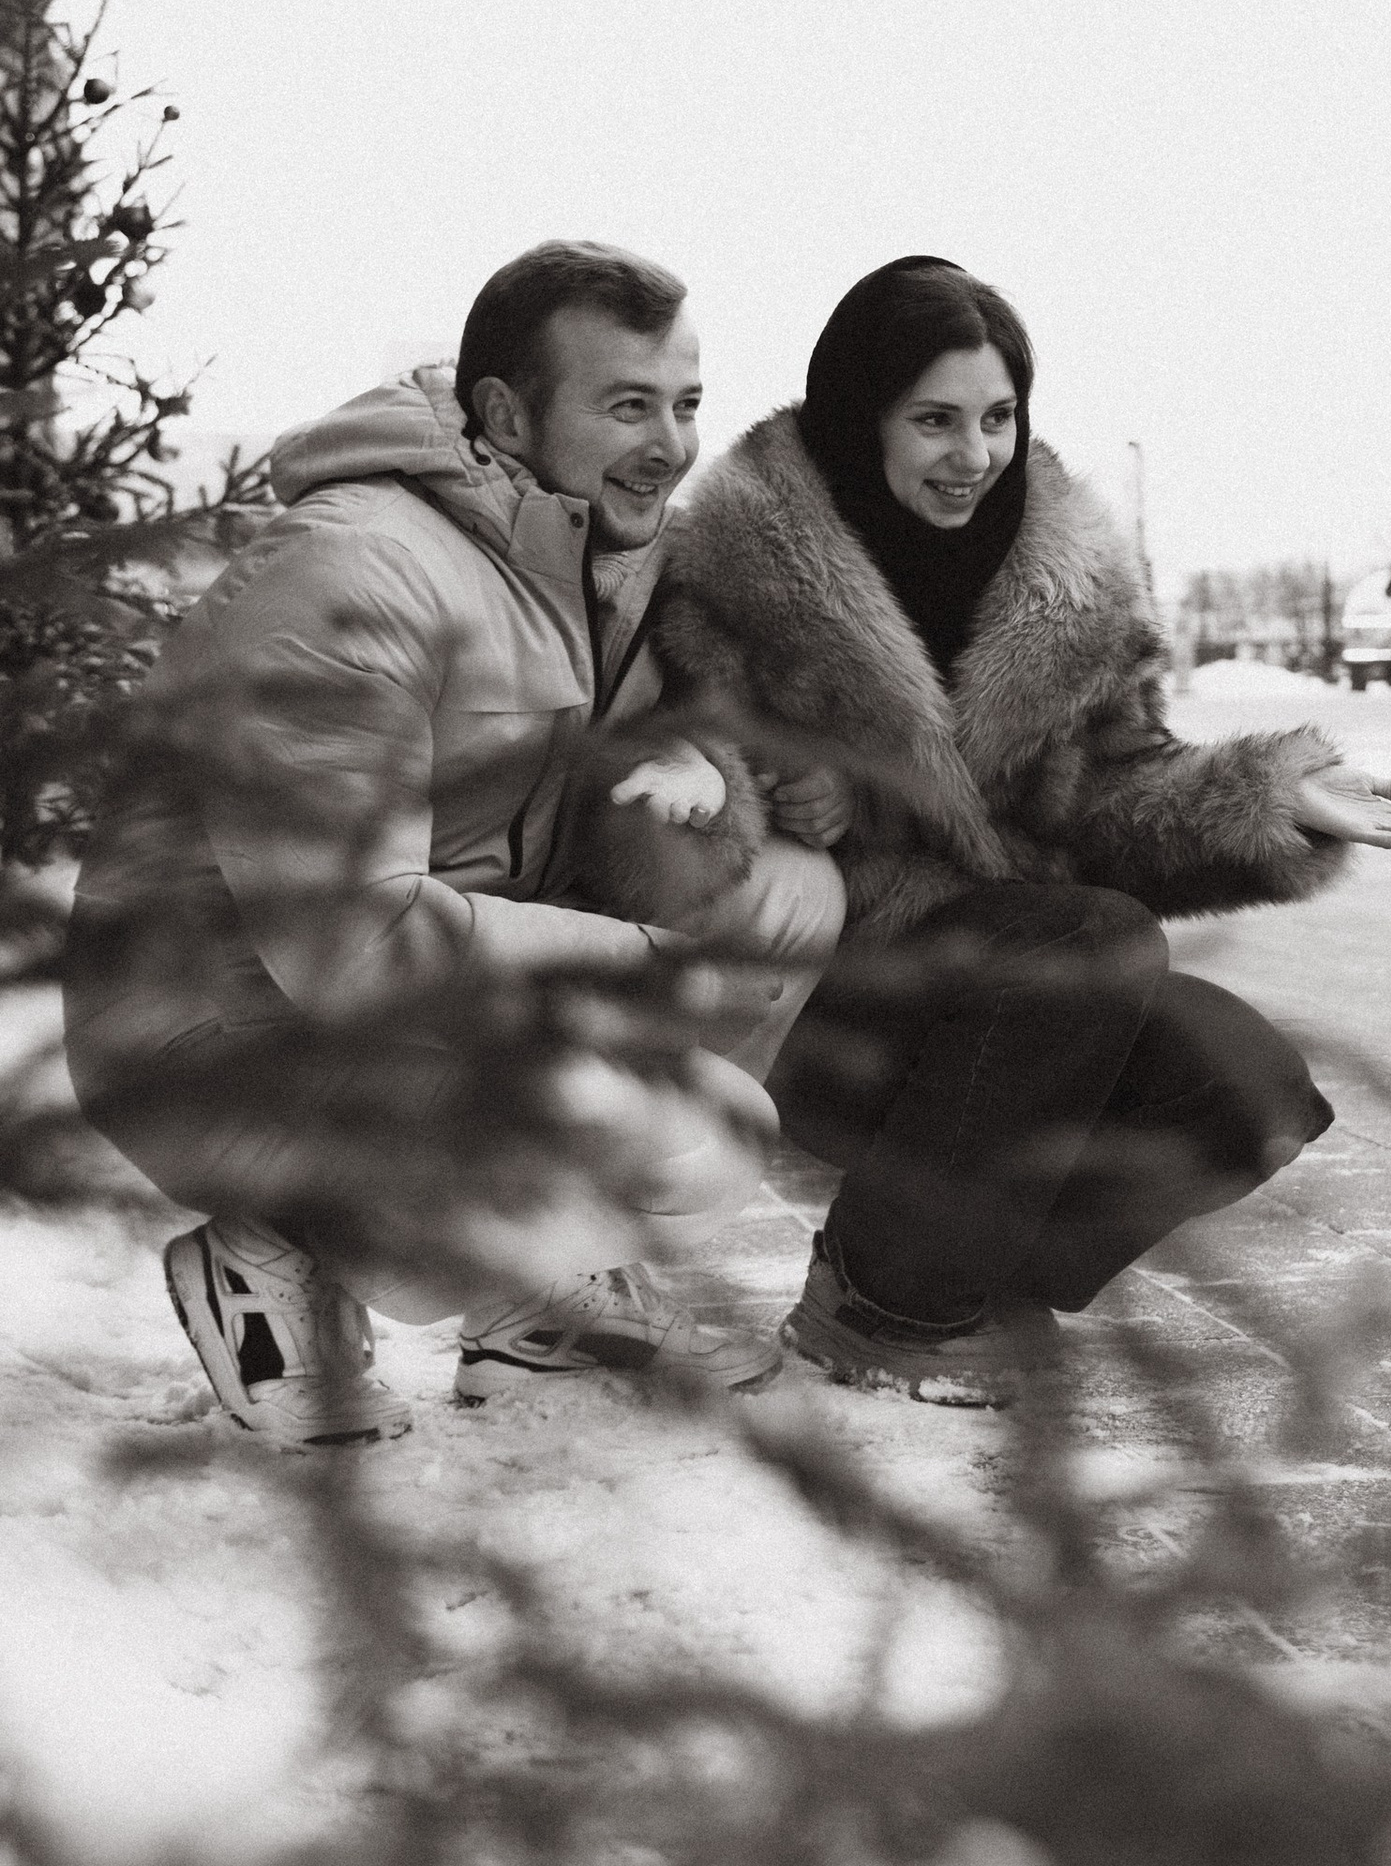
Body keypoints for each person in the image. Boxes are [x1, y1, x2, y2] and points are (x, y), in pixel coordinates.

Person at [594, 254, 1391, 1407]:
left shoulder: (1072, 589)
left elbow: (1109, 795)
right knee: (1086, 938)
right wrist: (769, 795)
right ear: (863, 419)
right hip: (821, 996)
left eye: (998, 417)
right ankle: (878, 1302)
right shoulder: (732, 574)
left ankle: (961, 1277)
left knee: (1246, 1089)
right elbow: (671, 779)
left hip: (1011, 987)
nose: (974, 456)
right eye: (934, 421)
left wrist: (1265, 796)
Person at [64, 241, 846, 1445]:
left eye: (686, 404)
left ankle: (532, 1307)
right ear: (502, 411)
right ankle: (269, 1249)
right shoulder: (353, 572)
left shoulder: (599, 560)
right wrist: (632, 963)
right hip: (217, 1026)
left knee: (786, 896)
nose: (670, 444)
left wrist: (707, 774)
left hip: (408, 1003)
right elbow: (347, 937)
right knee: (697, 1131)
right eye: (627, 404)